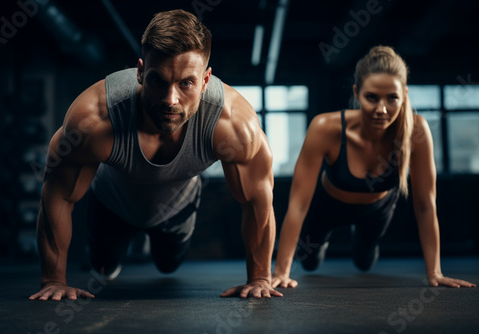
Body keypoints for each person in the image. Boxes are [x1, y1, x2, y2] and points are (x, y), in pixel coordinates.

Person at [29, 9, 282, 301]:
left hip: (177, 209)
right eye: (157, 81)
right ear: (139, 72)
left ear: (205, 80)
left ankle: (153, 243)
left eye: (186, 83)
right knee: (102, 267)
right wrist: (52, 281)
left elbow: (257, 201)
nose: (169, 100)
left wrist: (260, 278)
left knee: (168, 264)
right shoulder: (95, 119)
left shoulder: (234, 124)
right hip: (112, 205)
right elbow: (57, 193)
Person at [271, 46, 476, 289]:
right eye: (372, 97)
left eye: (392, 98)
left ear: (404, 95)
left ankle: (363, 239)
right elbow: (299, 203)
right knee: (309, 262)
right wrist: (281, 271)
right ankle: (320, 244)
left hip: (376, 210)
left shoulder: (416, 131)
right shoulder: (325, 127)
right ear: (357, 93)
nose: (382, 109)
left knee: (364, 262)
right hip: (328, 206)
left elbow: (425, 204)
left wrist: (435, 272)